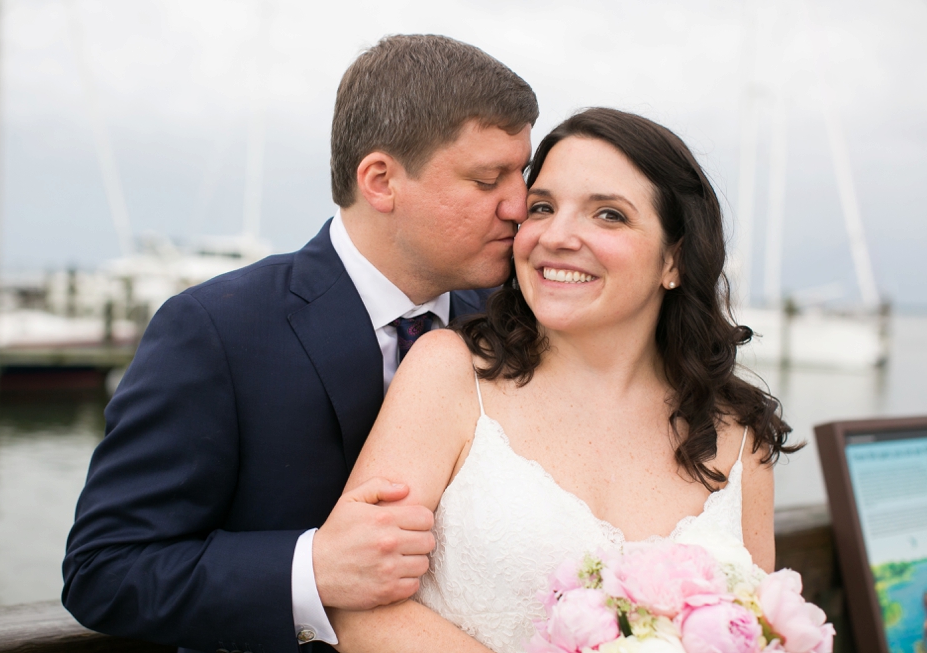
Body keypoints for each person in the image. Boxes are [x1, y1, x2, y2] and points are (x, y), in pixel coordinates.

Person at [61, 34, 538, 653]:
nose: (520, 205)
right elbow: (103, 570)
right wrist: (309, 570)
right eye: (486, 179)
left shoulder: (513, 326)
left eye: (521, 172)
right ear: (381, 181)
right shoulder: (215, 330)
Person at [326, 108, 800, 653]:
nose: (556, 235)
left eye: (609, 216)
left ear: (675, 259)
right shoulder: (450, 372)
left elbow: (762, 631)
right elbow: (356, 607)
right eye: (542, 207)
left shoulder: (742, 438)